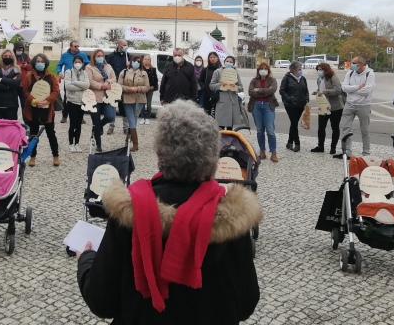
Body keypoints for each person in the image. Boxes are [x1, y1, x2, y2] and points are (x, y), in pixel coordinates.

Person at [76, 100, 261, 324]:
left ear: (160, 151)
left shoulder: (130, 212)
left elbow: (102, 301)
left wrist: (86, 260)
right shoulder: (231, 217)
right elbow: (245, 303)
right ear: (213, 154)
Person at [22, 53, 61, 167]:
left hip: (47, 110)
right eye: (38, 62)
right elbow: (25, 91)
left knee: (51, 133)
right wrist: (33, 101)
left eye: (42, 62)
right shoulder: (28, 77)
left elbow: (55, 91)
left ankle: (55, 156)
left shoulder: (52, 77)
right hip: (33, 110)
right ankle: (32, 156)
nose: (40, 64)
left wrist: (47, 101)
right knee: (33, 134)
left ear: (46, 63)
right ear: (34, 63)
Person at [336, 56, 375, 158]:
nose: (351, 64)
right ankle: (346, 152)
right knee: (345, 128)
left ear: (361, 64)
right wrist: (358, 87)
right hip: (349, 104)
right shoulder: (350, 73)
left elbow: (367, 90)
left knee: (365, 130)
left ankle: (366, 153)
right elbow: (344, 88)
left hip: (364, 105)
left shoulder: (369, 73)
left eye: (354, 63)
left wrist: (351, 90)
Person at [86, 49, 117, 153]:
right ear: (94, 57)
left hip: (107, 97)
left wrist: (108, 82)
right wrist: (101, 86)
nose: (100, 57)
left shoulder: (108, 66)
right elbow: (90, 82)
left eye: (102, 55)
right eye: (98, 55)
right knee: (96, 121)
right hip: (94, 97)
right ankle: (98, 145)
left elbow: (114, 78)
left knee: (110, 116)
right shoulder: (89, 67)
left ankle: (98, 128)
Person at [248, 62, 279, 162]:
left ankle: (273, 152)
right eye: (261, 68)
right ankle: (262, 151)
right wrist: (265, 91)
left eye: (265, 68)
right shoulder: (254, 80)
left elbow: (272, 91)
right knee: (260, 130)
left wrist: (258, 90)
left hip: (268, 106)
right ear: (258, 70)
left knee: (270, 131)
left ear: (268, 70)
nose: (263, 70)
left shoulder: (272, 80)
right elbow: (250, 92)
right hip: (256, 106)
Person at [118, 55, 149, 152]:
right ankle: (135, 144)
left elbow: (147, 87)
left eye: (139, 61)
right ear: (131, 61)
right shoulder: (124, 72)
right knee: (131, 120)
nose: (136, 63)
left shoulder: (144, 73)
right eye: (135, 61)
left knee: (134, 121)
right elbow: (119, 85)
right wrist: (129, 89)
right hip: (128, 99)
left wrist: (138, 89)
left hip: (139, 99)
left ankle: (127, 141)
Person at [312, 63, 344, 155]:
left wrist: (324, 92)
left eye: (321, 70)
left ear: (326, 70)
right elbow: (320, 89)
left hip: (335, 107)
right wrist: (317, 92)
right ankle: (320, 146)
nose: (319, 72)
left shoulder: (333, 77)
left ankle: (333, 147)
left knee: (335, 127)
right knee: (321, 127)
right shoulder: (319, 79)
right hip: (323, 106)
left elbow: (338, 90)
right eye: (318, 70)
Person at [56, 40, 89, 123]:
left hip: (80, 78)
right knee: (67, 98)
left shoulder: (82, 55)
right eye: (75, 46)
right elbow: (59, 65)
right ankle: (65, 115)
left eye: (78, 46)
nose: (77, 48)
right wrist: (59, 71)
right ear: (71, 47)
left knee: (81, 97)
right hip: (69, 79)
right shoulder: (65, 55)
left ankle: (80, 117)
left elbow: (88, 64)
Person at [279, 61, 309, 152]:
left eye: (301, 69)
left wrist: (306, 99)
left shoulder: (302, 78)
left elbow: (306, 90)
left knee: (294, 123)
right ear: (293, 70)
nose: (300, 71)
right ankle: (297, 143)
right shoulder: (287, 78)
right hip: (290, 105)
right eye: (299, 69)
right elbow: (282, 91)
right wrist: (289, 99)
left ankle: (289, 142)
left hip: (300, 104)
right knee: (294, 123)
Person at [209, 56, 245, 130]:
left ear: (233, 64)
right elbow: (211, 85)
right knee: (220, 126)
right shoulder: (218, 72)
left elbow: (241, 88)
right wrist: (220, 85)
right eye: (227, 61)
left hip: (232, 101)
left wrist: (235, 87)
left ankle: (229, 141)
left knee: (230, 127)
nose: (229, 63)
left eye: (231, 62)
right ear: (224, 62)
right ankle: (220, 141)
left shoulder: (235, 73)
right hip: (221, 100)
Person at [63, 55, 90, 152]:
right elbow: (68, 86)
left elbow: (87, 85)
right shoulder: (68, 72)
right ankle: (71, 143)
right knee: (72, 123)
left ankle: (77, 143)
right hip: (72, 101)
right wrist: (81, 86)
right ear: (73, 63)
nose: (78, 64)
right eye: (76, 62)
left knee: (79, 124)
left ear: (82, 63)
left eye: (79, 62)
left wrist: (75, 82)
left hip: (81, 102)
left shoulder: (85, 73)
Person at [0, 50, 23, 121]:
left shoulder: (16, 70)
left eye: (10, 56)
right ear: (2, 57)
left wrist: (1, 80)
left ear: (13, 58)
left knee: (10, 128)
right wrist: (7, 86)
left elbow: (16, 83)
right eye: (5, 56)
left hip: (11, 105)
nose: (8, 57)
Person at [106, 39, 130, 135]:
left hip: (124, 85)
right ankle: (111, 126)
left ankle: (125, 127)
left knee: (124, 107)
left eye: (126, 45)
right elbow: (107, 69)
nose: (125, 47)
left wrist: (130, 64)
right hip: (114, 85)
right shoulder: (111, 56)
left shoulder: (129, 56)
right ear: (119, 45)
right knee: (112, 106)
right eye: (124, 45)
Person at [139, 54, 158, 125]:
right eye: (145, 59)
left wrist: (153, 86)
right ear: (143, 60)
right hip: (142, 89)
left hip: (150, 89)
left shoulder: (153, 69)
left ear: (150, 60)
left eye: (148, 59)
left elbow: (155, 79)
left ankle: (147, 118)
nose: (146, 61)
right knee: (142, 103)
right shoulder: (140, 69)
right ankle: (143, 117)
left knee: (149, 103)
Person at [14, 41, 32, 108]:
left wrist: (26, 66)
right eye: (18, 48)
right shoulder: (11, 56)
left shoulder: (25, 56)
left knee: (24, 103)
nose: (20, 50)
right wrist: (18, 66)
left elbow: (31, 68)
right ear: (15, 48)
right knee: (13, 104)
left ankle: (25, 118)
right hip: (14, 82)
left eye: (21, 48)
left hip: (23, 83)